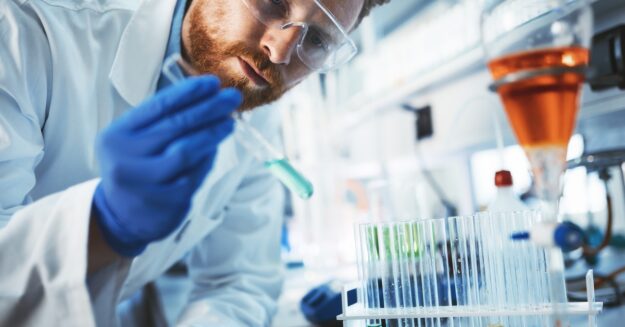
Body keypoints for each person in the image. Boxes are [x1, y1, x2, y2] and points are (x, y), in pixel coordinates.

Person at [0, 0, 390, 325]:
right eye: (273, 2)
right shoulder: (24, 33)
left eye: (318, 39)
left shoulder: (257, 111)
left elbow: (239, 281)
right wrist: (103, 225)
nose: (281, 50)